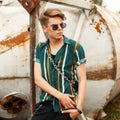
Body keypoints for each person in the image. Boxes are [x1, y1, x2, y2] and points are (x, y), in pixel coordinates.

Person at [31, 8, 87, 120]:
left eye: (62, 25)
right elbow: (37, 79)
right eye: (55, 26)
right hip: (46, 104)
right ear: (45, 28)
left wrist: (78, 109)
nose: (60, 29)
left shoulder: (75, 48)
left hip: (67, 106)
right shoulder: (40, 48)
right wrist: (60, 96)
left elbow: (82, 79)